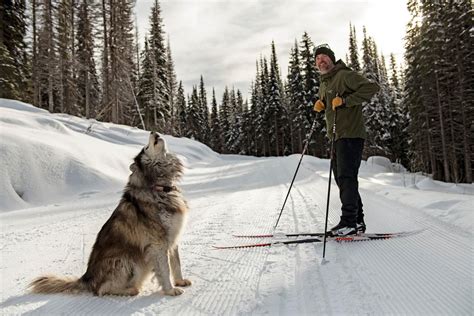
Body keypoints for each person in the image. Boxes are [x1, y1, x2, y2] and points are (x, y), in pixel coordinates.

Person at [313, 44, 379, 236]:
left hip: (350, 135)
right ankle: (357, 221)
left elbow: (371, 88)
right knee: (342, 179)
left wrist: (345, 101)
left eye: (324, 57)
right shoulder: (325, 83)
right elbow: (331, 103)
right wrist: (321, 104)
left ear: (332, 59)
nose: (321, 61)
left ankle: (349, 222)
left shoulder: (344, 75)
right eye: (317, 59)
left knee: (346, 177)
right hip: (336, 137)